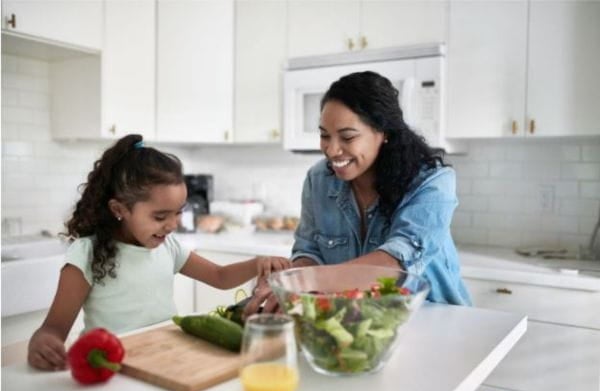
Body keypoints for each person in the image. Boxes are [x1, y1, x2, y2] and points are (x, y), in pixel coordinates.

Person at [28, 134, 290, 371]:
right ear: (119, 209)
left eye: (178, 213)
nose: (173, 225)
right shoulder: (86, 253)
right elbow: (53, 329)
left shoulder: (168, 246)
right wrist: (44, 342)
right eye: (160, 216)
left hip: (162, 359)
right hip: (109, 366)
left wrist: (258, 263)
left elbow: (219, 277)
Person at [244, 71, 471, 318]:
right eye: (324, 135)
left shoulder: (432, 182)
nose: (331, 149)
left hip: (438, 318)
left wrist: (299, 283)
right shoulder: (319, 180)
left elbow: (397, 260)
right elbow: (310, 252)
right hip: (358, 320)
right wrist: (286, 283)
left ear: (383, 132)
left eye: (347, 136)